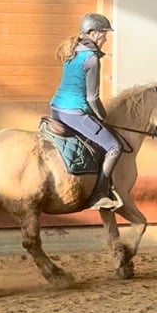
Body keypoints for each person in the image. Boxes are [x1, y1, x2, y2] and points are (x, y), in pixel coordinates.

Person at [50, 12, 122, 210]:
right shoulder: (91, 58)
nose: (105, 38)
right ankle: (99, 195)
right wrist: (103, 116)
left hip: (56, 109)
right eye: (103, 33)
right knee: (114, 147)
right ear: (92, 32)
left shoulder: (72, 49)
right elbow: (92, 98)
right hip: (74, 113)